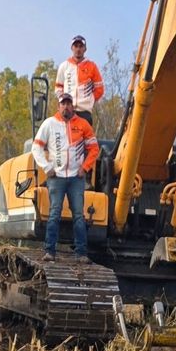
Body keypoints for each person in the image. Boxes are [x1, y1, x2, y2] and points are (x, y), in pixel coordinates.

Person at [31, 93, 100, 262]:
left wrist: (85, 168)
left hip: (76, 178)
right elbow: (36, 148)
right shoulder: (49, 124)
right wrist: (47, 168)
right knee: (54, 213)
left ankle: (81, 253)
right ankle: (50, 251)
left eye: (69, 103)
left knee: (78, 215)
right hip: (57, 178)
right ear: (58, 105)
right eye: (63, 103)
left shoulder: (83, 124)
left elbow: (94, 149)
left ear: (73, 106)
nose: (66, 106)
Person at [55, 35, 104, 126]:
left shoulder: (92, 66)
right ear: (72, 48)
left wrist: (90, 100)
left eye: (81, 46)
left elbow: (100, 89)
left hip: (85, 112)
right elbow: (58, 87)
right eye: (76, 46)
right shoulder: (64, 66)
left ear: (85, 49)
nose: (78, 49)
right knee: (66, 138)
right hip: (68, 112)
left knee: (85, 139)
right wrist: (64, 102)